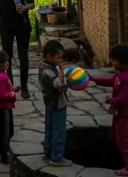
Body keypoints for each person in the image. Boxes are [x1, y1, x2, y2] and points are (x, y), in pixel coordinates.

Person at [92, 45, 128, 176]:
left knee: (125, 141)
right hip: (120, 114)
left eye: (114, 61)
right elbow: (111, 81)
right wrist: (94, 79)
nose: (112, 63)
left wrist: (110, 100)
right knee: (119, 139)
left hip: (127, 116)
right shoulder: (120, 74)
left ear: (123, 61)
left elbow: (123, 98)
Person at [39, 39, 72, 168]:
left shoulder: (45, 67)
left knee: (50, 129)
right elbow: (59, 85)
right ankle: (57, 157)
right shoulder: (48, 72)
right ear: (49, 56)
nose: (60, 61)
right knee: (59, 131)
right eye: (58, 58)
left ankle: (48, 152)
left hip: (50, 104)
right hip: (57, 105)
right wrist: (65, 76)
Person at [0, 49, 20, 164]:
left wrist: (13, 89)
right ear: (0, 64)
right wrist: (12, 94)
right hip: (3, 109)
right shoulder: (2, 77)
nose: (8, 63)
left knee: (3, 131)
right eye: (5, 62)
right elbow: (2, 96)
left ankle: (3, 153)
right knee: (6, 132)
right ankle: (4, 155)